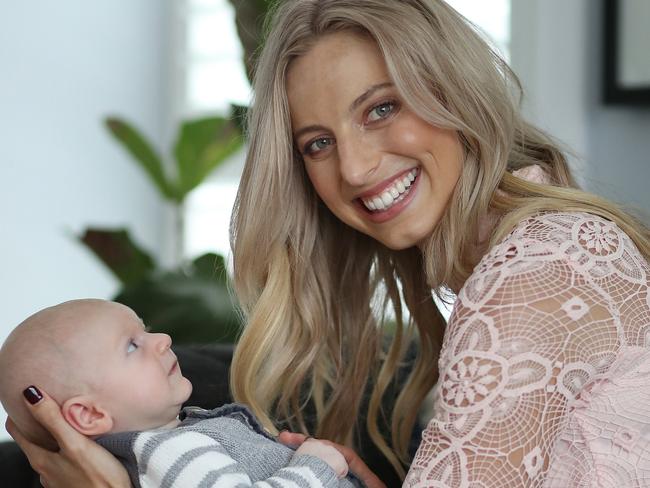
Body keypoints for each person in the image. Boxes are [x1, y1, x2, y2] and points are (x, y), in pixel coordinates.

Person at [6, 0, 650, 486]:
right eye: (317, 143)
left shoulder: (541, 272)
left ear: (454, 90)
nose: (355, 170)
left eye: (380, 108)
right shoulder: (533, 253)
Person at [0, 299, 357, 487]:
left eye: (147, 330)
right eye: (131, 346)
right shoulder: (170, 453)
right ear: (90, 415)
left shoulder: (176, 443)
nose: (163, 340)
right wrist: (316, 466)